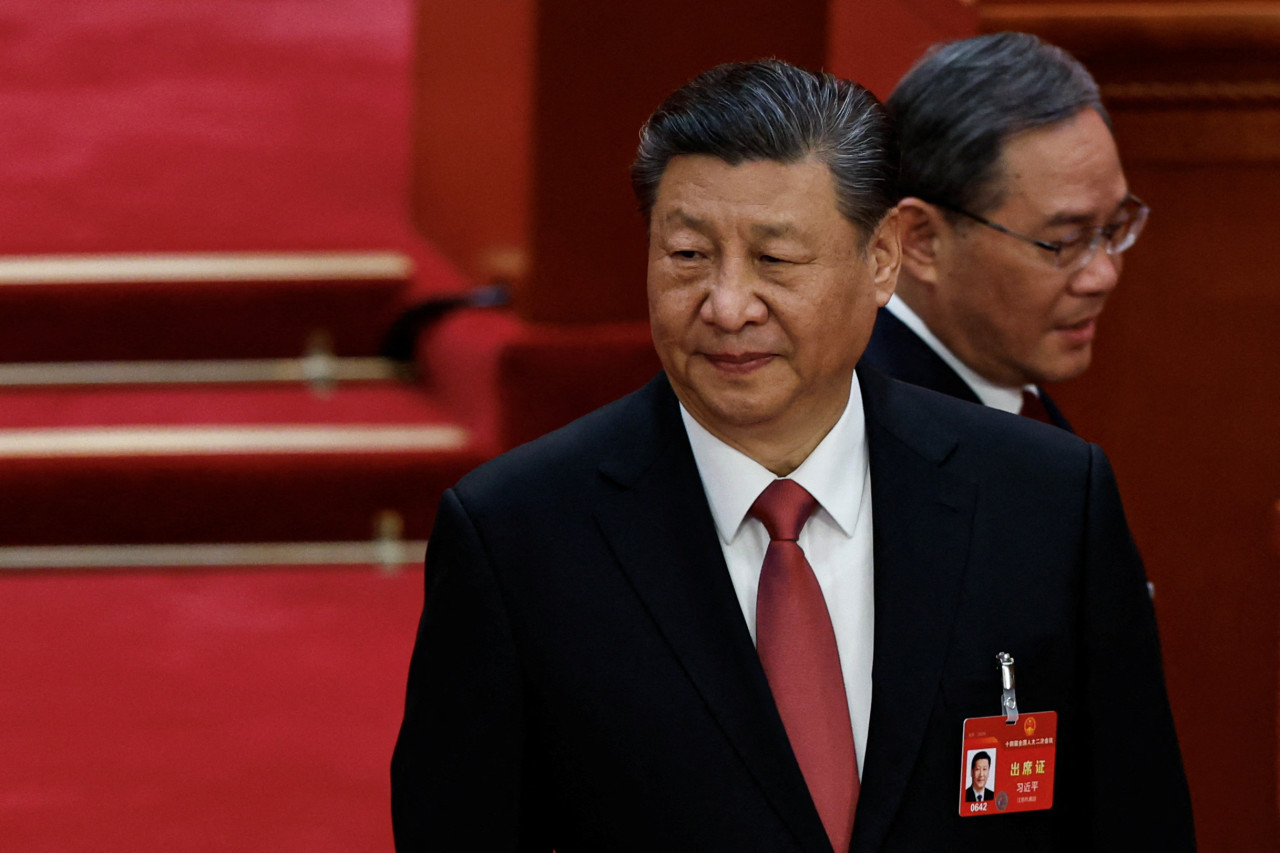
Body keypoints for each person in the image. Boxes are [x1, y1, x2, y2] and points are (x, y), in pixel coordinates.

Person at [391, 59, 1194, 851]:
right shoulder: (519, 536)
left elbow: (1132, 817)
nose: (729, 304)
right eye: (687, 256)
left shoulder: (1047, 500)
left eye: (775, 260)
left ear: (880, 259)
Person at [859, 32, 1149, 431]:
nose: (1104, 275)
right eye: (1064, 241)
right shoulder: (861, 427)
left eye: (1114, 226)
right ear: (922, 240)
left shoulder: (1017, 405)